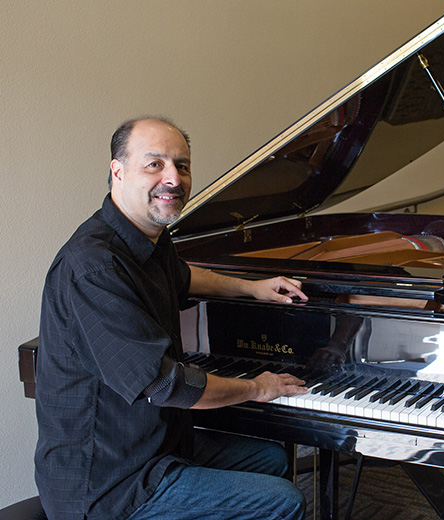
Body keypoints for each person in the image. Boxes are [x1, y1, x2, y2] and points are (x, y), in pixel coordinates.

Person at [35, 117, 310, 520]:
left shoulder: (146, 239)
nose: (173, 178)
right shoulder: (93, 268)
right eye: (154, 164)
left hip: (153, 445)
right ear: (118, 170)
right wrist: (254, 387)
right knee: (283, 500)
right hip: (109, 484)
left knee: (270, 459)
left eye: (181, 165)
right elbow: (167, 385)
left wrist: (251, 287)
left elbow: (184, 277)